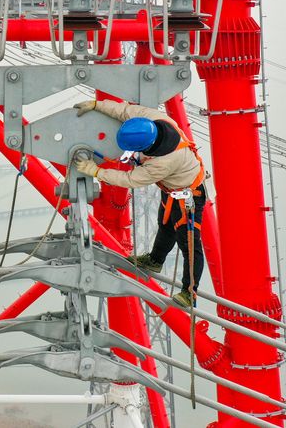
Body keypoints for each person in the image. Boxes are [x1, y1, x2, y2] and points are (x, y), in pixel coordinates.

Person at [72, 99, 208, 307]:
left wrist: (96, 171)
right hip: (172, 190)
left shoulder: (163, 162)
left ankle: (190, 293)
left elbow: (129, 180)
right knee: (166, 226)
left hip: (189, 195)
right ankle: (155, 260)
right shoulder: (155, 118)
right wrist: (97, 105)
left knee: (188, 244)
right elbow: (124, 111)